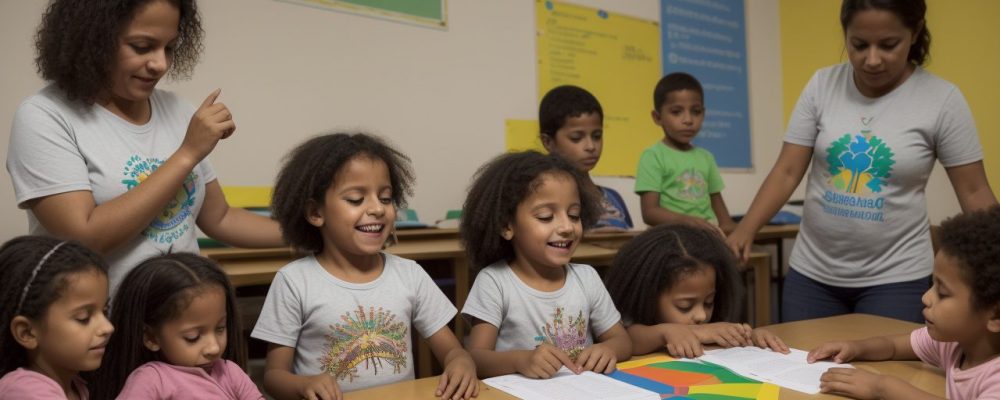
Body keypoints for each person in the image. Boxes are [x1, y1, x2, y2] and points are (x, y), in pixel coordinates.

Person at [727, 0, 998, 323]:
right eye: (858, 45)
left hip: (897, 278)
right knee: (801, 370)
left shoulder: (942, 100)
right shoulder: (821, 86)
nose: (871, 60)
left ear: (914, 32)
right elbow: (787, 171)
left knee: (885, 372)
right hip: (812, 275)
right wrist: (746, 229)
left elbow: (974, 191)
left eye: (888, 45)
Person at [6, 0, 283, 294]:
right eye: (141, 47)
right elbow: (84, 239)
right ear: (92, 39)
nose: (160, 64)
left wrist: (311, 234)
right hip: (103, 328)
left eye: (170, 48)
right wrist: (187, 154)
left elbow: (221, 218)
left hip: (180, 323)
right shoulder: (45, 116)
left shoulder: (177, 110)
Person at [252, 133, 478, 400]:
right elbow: (274, 377)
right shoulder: (294, 282)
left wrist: (461, 362)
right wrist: (303, 385)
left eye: (385, 198)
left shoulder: (411, 275)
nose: (378, 209)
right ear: (315, 213)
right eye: (356, 199)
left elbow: (453, 351)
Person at [460, 150, 632, 379]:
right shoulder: (494, 282)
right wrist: (521, 360)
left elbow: (622, 340)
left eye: (574, 215)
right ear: (506, 225)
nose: (567, 227)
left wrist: (608, 349)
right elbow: (476, 358)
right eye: (545, 217)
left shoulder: (587, 278)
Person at [808, 205, 1000, 399]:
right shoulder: (956, 344)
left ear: (996, 315)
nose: (926, 297)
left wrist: (881, 387)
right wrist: (856, 348)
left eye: (942, 293)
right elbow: (893, 346)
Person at [91, 253, 261, 400]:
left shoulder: (230, 372)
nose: (214, 348)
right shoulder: (151, 380)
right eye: (193, 337)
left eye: (220, 328)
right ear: (151, 337)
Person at [604, 224, 787, 358]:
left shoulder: (710, 321)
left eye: (709, 302)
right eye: (685, 306)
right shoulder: (630, 324)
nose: (701, 315)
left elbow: (724, 336)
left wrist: (751, 338)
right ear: (648, 296)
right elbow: (627, 339)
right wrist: (667, 332)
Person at [0, 236, 113, 400]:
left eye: (105, 311)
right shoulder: (25, 391)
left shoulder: (77, 385)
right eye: (84, 318)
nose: (108, 327)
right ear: (27, 332)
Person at [635, 73, 735, 237]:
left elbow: (724, 219)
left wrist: (743, 231)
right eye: (676, 112)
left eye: (696, 112)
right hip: (670, 238)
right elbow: (650, 213)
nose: (688, 120)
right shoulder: (653, 156)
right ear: (657, 117)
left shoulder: (706, 157)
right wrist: (688, 222)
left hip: (707, 237)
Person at [539, 85, 633, 231]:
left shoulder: (614, 198)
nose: (590, 146)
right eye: (576, 138)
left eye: (597, 136)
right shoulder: (542, 198)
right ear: (548, 142)